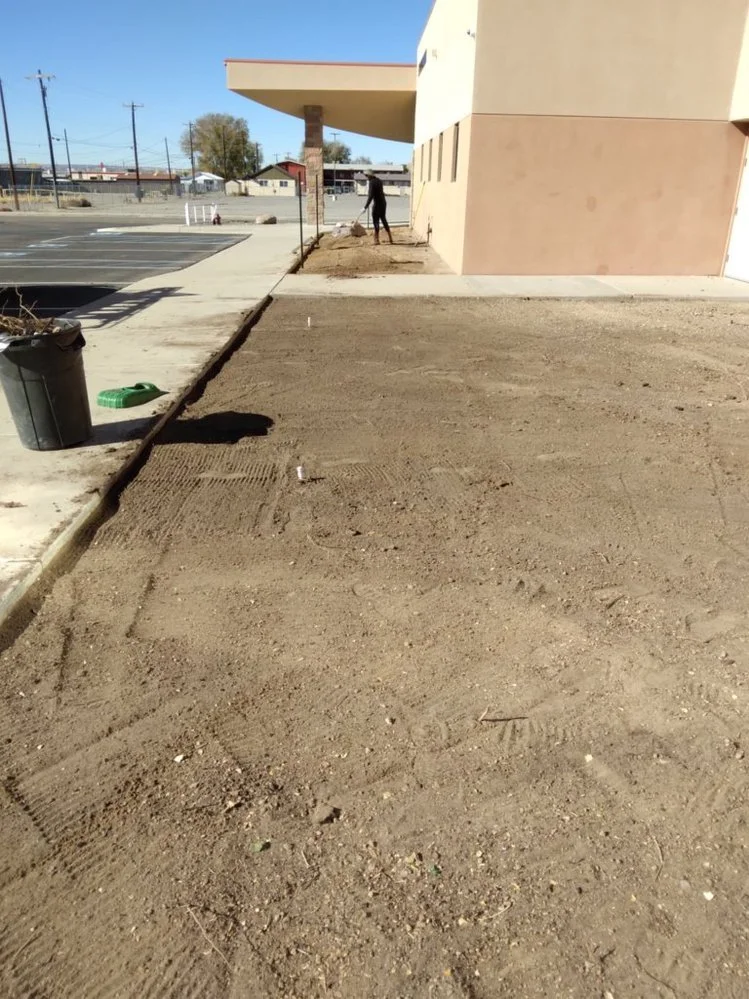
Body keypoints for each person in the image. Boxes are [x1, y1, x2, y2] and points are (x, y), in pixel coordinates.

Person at [363, 170, 393, 245]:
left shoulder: (371, 182)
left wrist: (365, 207)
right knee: (383, 219)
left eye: (367, 176)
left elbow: (370, 196)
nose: (366, 177)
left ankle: (376, 240)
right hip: (383, 203)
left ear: (370, 175)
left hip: (377, 204)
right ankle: (390, 238)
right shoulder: (379, 181)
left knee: (376, 221)